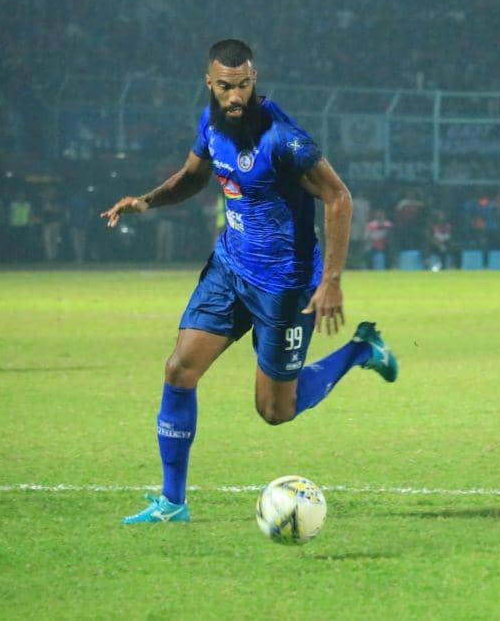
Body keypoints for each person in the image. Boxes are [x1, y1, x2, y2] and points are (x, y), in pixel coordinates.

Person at [101, 39, 398, 524]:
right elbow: (193, 177)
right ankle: (172, 503)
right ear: (210, 84)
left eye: (243, 86)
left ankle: (362, 349)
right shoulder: (212, 122)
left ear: (254, 80)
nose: (234, 96)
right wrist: (147, 202)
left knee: (275, 411)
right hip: (229, 269)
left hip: (284, 286)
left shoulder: (284, 139)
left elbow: (338, 198)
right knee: (179, 370)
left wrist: (333, 280)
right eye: (225, 86)